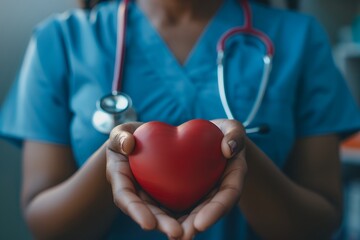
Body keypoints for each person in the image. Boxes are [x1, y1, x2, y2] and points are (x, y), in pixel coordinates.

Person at [1, 0, 360, 239]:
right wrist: (115, 158)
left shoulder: (300, 38)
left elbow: (322, 219)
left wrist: (240, 155)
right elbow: (44, 222)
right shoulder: (60, 40)